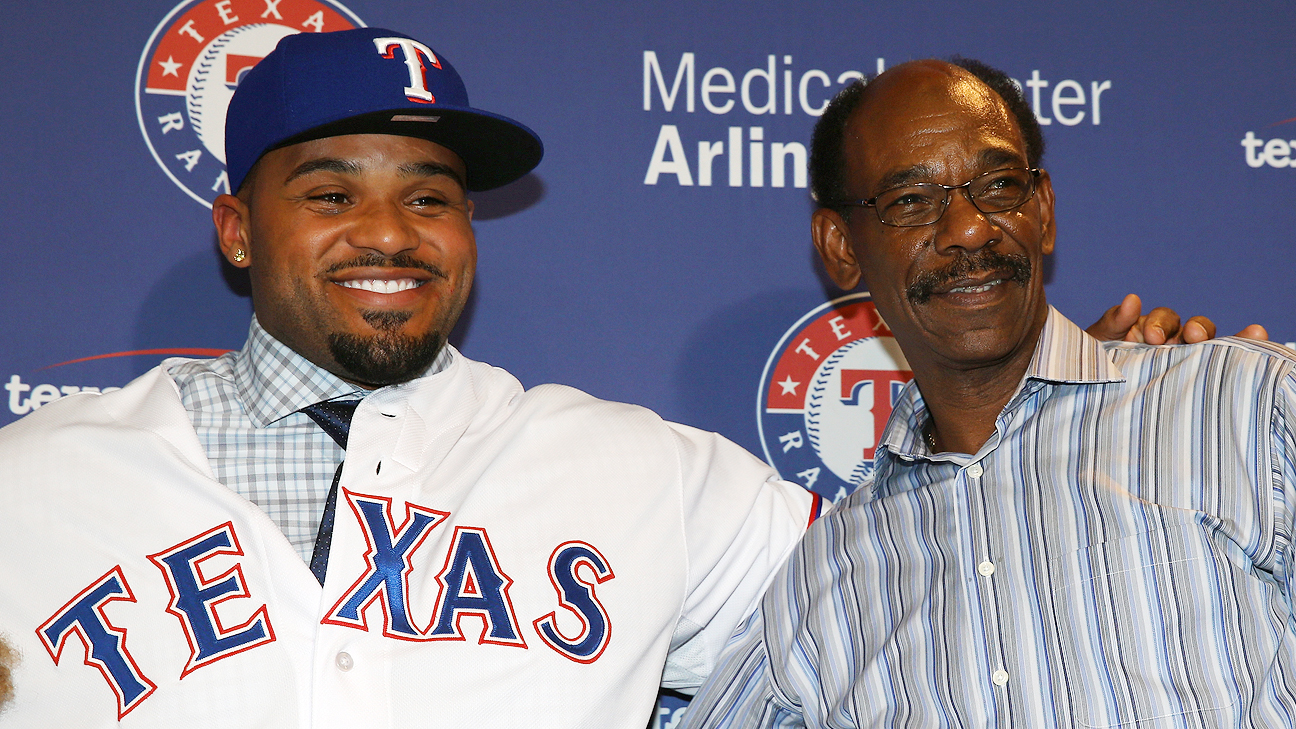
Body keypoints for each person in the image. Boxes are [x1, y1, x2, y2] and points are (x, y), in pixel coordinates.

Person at [0, 31, 1236, 726]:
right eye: (330, 194)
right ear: (234, 228)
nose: (390, 234)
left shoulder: (652, 476)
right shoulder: (32, 487)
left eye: (431, 196)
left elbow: (944, 587)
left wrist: (1110, 405)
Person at [681, 57, 1296, 728]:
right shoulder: (824, 577)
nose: (970, 228)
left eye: (1000, 185)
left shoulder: (1245, 405)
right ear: (840, 247)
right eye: (911, 200)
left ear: (1045, 210)